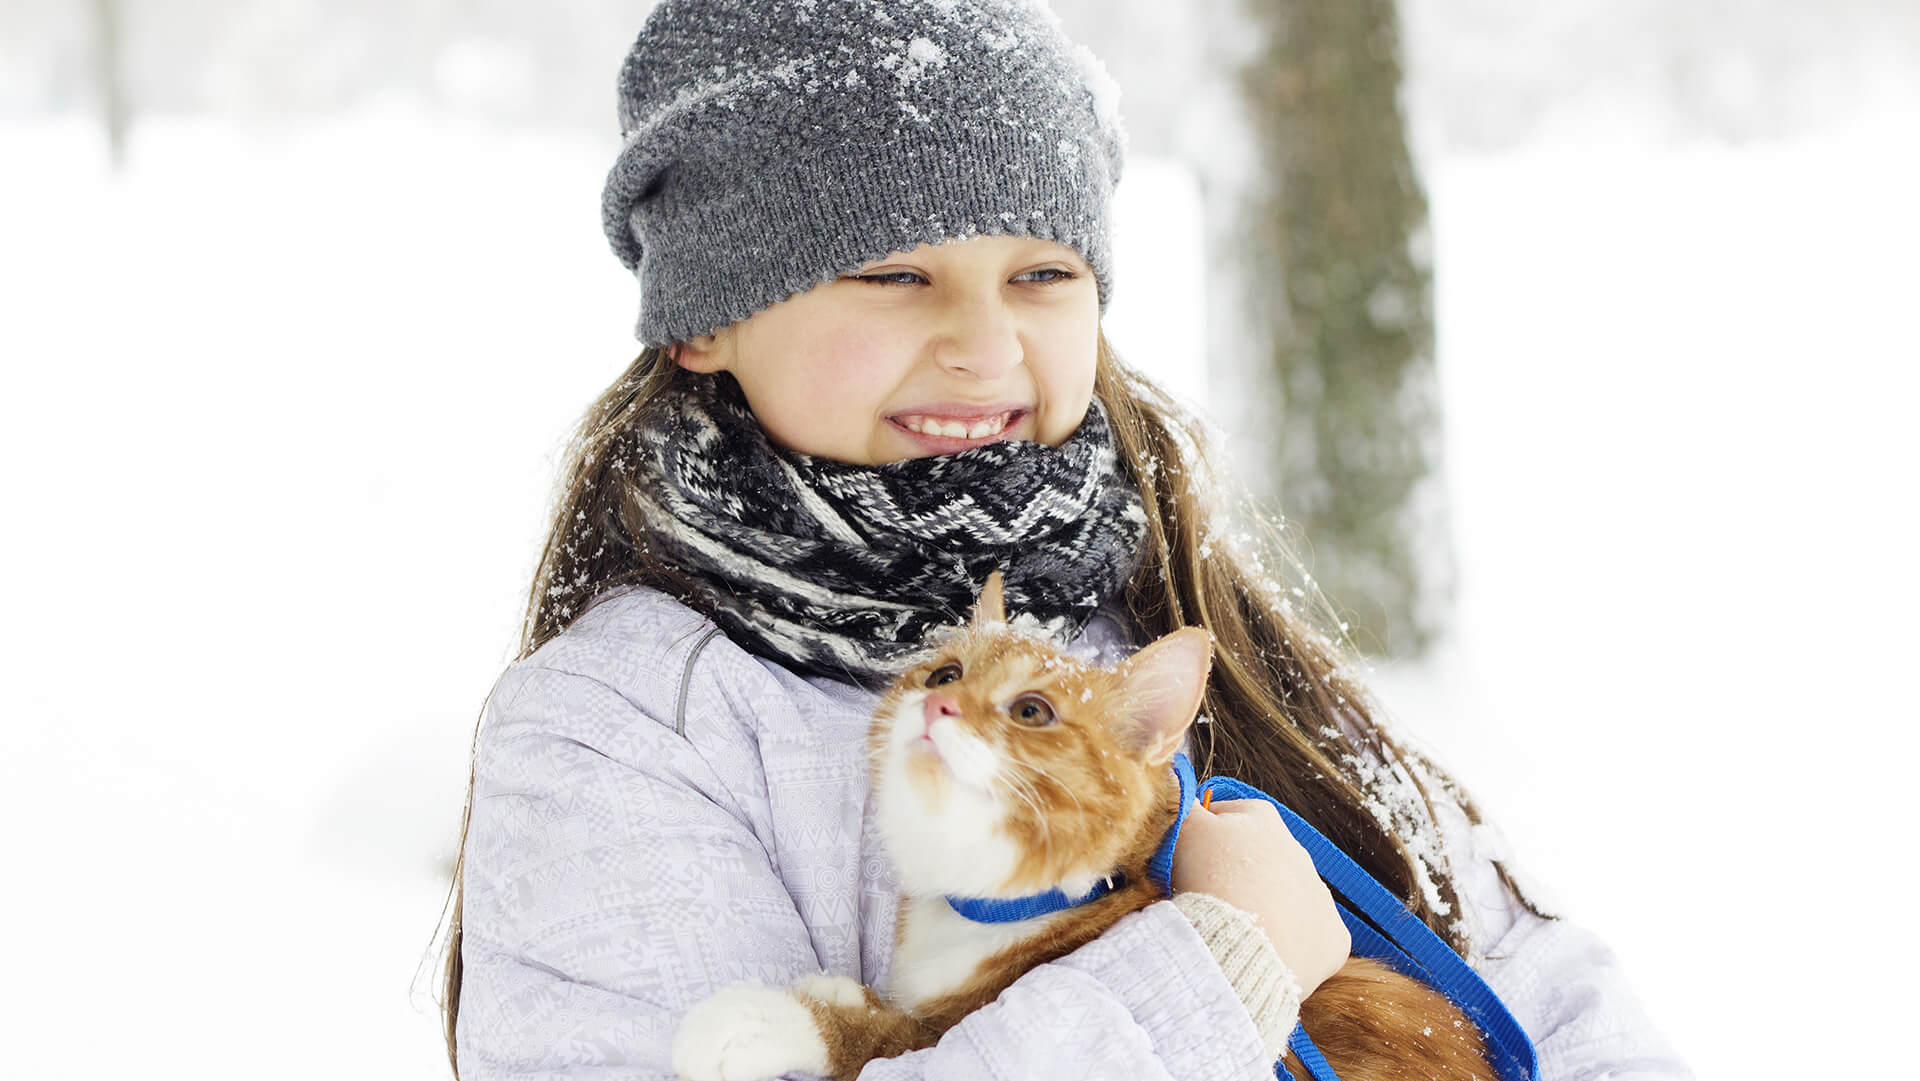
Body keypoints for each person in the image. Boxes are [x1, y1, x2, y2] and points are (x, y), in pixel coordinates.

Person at [438, 2, 1690, 1078]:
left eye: (1042, 275)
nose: (987, 349)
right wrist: (1214, 970)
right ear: (705, 317)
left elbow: (1543, 990)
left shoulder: (1170, 617)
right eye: (893, 274)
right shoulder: (621, 727)